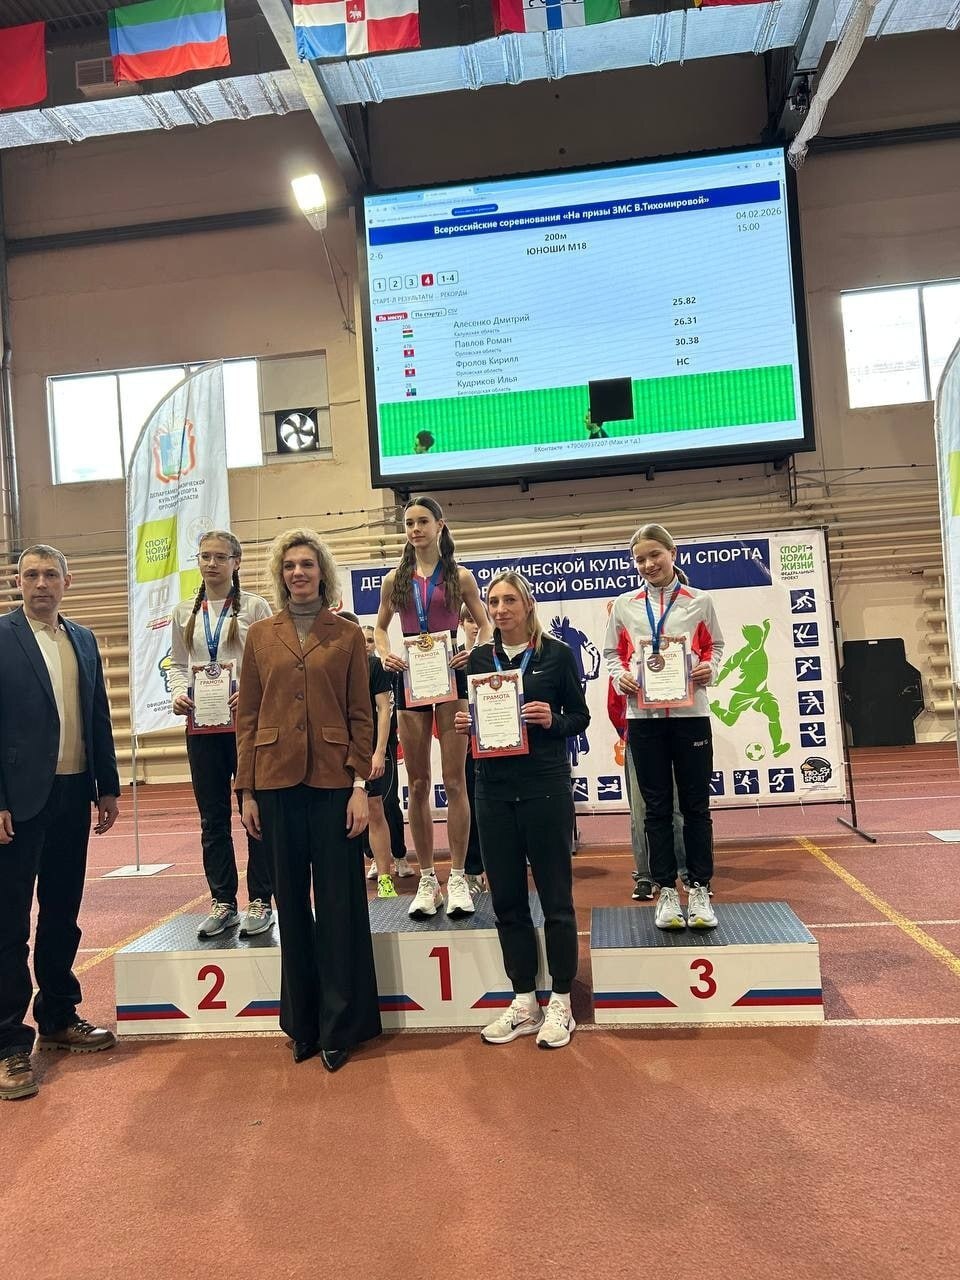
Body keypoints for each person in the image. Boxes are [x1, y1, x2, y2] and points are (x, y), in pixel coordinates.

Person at [236, 529, 379, 1072]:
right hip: (274, 783)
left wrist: (360, 786)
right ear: (281, 573)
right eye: (290, 565)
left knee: (341, 904)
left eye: (307, 565)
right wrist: (246, 790)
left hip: (334, 784)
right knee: (291, 907)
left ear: (322, 573)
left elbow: (361, 715)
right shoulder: (259, 635)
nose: (298, 572)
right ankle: (302, 1024)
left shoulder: (348, 635)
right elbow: (248, 717)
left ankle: (341, 1025)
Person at [0, 544, 121, 1102]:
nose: (41, 583)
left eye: (51, 574)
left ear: (67, 582)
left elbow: (98, 715)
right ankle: (7, 1042)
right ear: (17, 582)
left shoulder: (84, 640)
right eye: (31, 575)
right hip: (18, 802)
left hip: (74, 794)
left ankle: (57, 1015)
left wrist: (107, 787)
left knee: (62, 914)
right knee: (8, 923)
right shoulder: (3, 637)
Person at [456, 571, 589, 1050]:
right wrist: (466, 722)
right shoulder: (478, 660)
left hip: (544, 788)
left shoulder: (557, 654)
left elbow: (580, 717)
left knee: (556, 900)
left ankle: (561, 1001)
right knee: (507, 901)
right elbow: (475, 720)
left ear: (528, 604)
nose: (500, 609)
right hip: (492, 791)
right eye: (493, 601)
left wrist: (553, 720)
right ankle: (524, 1000)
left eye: (509, 600)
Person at [604, 523, 724, 931]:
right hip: (644, 718)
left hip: (692, 715)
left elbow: (716, 646)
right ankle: (668, 891)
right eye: (639, 559)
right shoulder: (625, 605)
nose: (648, 564)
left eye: (655, 554)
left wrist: (711, 668)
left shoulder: (700, 601)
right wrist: (619, 676)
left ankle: (700, 888)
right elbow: (611, 652)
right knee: (655, 809)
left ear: (673, 554)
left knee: (695, 806)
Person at [375, 496, 489, 918]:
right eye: (409, 523)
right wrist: (385, 653)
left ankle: (457, 875)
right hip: (411, 680)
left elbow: (486, 624)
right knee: (419, 783)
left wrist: (472, 651)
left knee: (456, 781)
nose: (415, 529)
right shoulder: (395, 579)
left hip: (450, 676)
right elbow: (380, 628)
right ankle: (427, 878)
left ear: (440, 525)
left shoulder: (460, 576)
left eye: (422, 521)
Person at [168, 530, 274, 939]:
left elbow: (270, 662)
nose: (211, 563)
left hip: (247, 726)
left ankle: (260, 899)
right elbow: (178, 664)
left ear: (236, 562)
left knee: (255, 814)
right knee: (212, 818)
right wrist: (179, 693)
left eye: (220, 557)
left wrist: (251, 691)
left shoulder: (255, 607)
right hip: (203, 727)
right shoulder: (183, 612)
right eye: (205, 556)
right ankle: (224, 902)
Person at [605, 612, 686, 901]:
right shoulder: (624, 659)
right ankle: (645, 874)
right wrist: (629, 732)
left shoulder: (678, 650)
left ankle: (686, 870)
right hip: (639, 738)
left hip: (677, 733)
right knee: (641, 811)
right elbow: (614, 704)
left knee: (679, 806)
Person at [339, 613, 397, 899]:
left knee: (375, 810)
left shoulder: (373, 665)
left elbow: (384, 710)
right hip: (339, 752)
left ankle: (385, 878)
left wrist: (379, 752)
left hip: (369, 749)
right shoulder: (331, 665)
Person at [361, 625, 413, 879]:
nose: (366, 644)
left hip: (383, 747)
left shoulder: (382, 668)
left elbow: (386, 709)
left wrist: (381, 750)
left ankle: (399, 854)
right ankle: (375, 857)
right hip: (359, 749)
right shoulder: (349, 669)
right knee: (364, 806)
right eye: (362, 640)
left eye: (370, 640)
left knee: (388, 802)